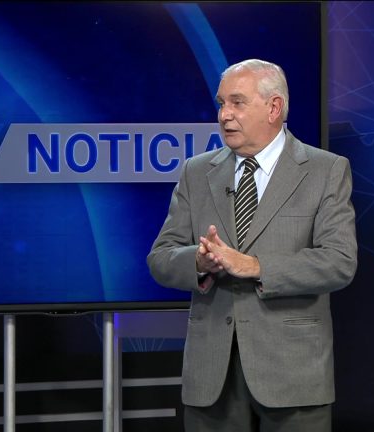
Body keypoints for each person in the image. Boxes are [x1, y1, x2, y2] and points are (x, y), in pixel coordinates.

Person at [147, 59, 357, 431]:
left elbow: (339, 262)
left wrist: (256, 266)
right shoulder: (197, 172)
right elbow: (160, 258)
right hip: (212, 376)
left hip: (293, 373)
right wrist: (198, 262)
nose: (224, 114)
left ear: (274, 108)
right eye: (221, 103)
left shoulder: (325, 170)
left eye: (237, 102)